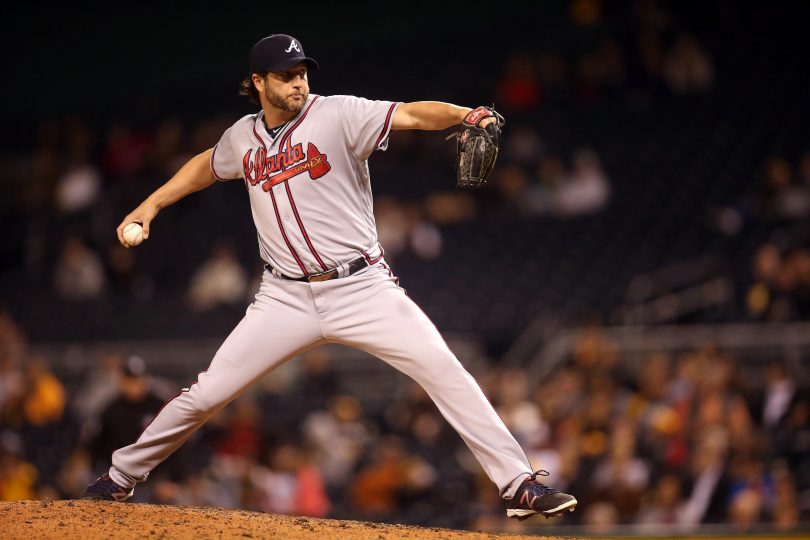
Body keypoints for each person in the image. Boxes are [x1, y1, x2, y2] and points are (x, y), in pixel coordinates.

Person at [80, 33, 577, 520]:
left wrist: (463, 114)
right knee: (207, 393)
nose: (298, 83)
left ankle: (518, 484)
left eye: (301, 73)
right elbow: (204, 168)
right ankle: (119, 477)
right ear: (258, 81)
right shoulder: (241, 137)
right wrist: (148, 207)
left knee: (443, 369)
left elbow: (410, 113)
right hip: (284, 298)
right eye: (286, 75)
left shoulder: (339, 113)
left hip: (363, 287)